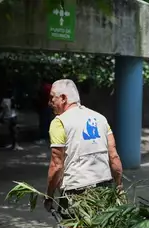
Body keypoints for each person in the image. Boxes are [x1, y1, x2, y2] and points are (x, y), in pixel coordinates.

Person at [42, 79, 123, 214]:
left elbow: (56, 165)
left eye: (52, 98)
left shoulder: (60, 122)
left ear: (63, 98)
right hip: (105, 190)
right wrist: (119, 186)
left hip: (76, 195)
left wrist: (49, 196)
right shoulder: (100, 118)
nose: (49, 103)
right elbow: (113, 156)